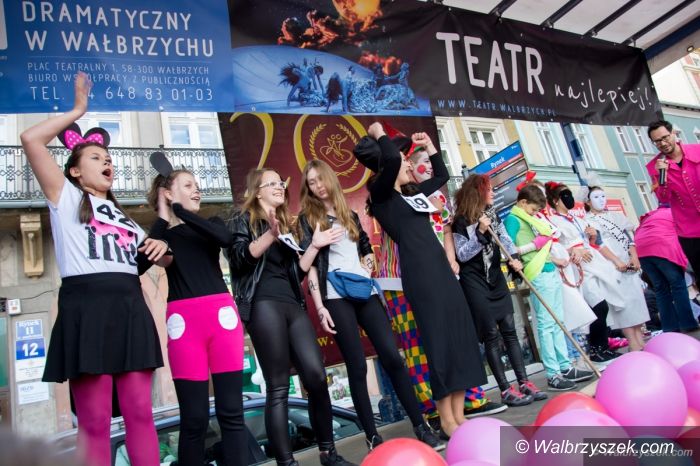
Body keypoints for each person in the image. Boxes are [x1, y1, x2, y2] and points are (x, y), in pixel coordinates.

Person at [21, 72, 166, 466]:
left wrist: (162, 245)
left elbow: (156, 259)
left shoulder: (123, 217)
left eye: (109, 159)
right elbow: (31, 139)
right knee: (95, 421)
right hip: (86, 308)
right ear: (74, 171)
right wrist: (78, 110)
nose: (108, 163)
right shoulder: (65, 197)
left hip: (130, 307)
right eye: (97, 158)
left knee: (141, 413)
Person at [296, 159, 441, 451]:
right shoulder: (307, 218)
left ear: (330, 179)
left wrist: (368, 258)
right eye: (311, 183)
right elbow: (308, 267)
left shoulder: (347, 212)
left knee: (393, 357)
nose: (318, 186)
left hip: (364, 289)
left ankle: (420, 425)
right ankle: (372, 436)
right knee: (357, 366)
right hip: (335, 295)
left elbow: (363, 242)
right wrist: (320, 306)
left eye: (320, 179)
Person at [354, 122, 487, 438]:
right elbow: (390, 158)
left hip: (441, 270)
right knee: (438, 344)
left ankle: (459, 415)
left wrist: (429, 146)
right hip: (420, 275)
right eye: (403, 160)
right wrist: (379, 133)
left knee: (458, 337)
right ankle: (446, 420)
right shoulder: (382, 195)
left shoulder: (414, 194)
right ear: (388, 165)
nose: (408, 164)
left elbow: (441, 176)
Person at [226, 168, 354, 466]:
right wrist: (269, 235)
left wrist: (314, 245)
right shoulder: (241, 219)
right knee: (278, 385)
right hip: (262, 305)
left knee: (316, 376)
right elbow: (240, 258)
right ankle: (287, 462)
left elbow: (295, 273)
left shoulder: (286, 225)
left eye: (281, 183)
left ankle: (328, 453)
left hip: (292, 305)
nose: (280, 187)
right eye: (272, 183)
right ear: (257, 191)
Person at [146, 166, 246, 466]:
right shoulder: (164, 236)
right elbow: (144, 258)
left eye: (196, 185)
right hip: (184, 325)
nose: (197, 189)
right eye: (188, 185)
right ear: (168, 193)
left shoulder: (209, 224)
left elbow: (225, 238)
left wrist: (180, 209)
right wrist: (164, 215)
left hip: (221, 318)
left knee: (232, 413)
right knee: (194, 419)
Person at [452, 175, 546, 406]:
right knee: (491, 336)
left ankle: (524, 382)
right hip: (475, 282)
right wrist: (480, 232)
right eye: (489, 190)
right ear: (478, 192)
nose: (493, 193)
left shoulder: (492, 214)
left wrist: (513, 257)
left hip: (496, 279)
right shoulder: (460, 220)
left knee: (510, 331)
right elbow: (462, 254)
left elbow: (505, 239)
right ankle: (505, 389)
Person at [504, 185, 594, 390]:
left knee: (558, 321)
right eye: (533, 209)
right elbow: (508, 250)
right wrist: (534, 245)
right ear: (523, 202)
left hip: (549, 269)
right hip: (536, 272)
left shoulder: (529, 218)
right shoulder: (513, 219)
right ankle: (553, 374)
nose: (534, 213)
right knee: (546, 325)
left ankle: (565, 366)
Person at [545, 182, 623, 365]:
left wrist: (592, 236)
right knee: (598, 305)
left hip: (593, 263)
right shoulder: (553, 221)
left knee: (603, 304)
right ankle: (596, 349)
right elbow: (555, 246)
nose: (569, 199)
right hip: (577, 267)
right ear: (555, 201)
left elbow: (592, 241)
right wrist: (573, 251)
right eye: (565, 196)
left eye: (570, 195)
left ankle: (602, 346)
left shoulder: (576, 218)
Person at [582, 185, 650, 351]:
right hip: (610, 264)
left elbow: (628, 238)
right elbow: (597, 243)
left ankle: (640, 339)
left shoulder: (616, 216)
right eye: (596, 197)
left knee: (636, 301)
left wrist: (634, 256)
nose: (601, 200)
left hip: (628, 261)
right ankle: (632, 342)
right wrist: (616, 261)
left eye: (603, 196)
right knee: (623, 304)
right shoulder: (588, 220)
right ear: (588, 202)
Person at [647, 120, 700, 283]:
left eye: (665, 137)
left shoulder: (697, 151)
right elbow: (663, 198)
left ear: (673, 134)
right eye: (657, 141)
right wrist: (661, 176)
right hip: (690, 231)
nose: (663, 143)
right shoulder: (655, 167)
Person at [635, 205, 699, 333]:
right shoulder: (675, 212)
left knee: (660, 289)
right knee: (678, 286)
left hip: (641, 248)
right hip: (662, 246)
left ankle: (670, 327)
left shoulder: (650, 215)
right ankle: (688, 323)